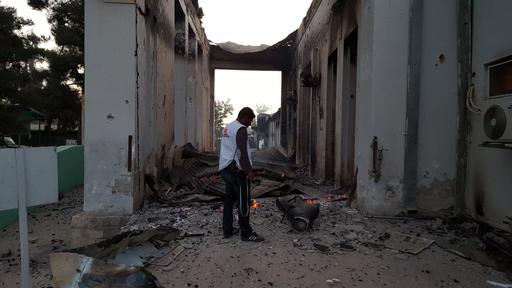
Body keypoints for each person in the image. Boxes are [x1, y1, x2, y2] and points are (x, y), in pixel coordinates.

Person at [218, 107, 264, 242]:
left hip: (226, 169)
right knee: (243, 202)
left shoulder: (228, 127)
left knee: (229, 201)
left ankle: (227, 230)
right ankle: (246, 233)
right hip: (237, 171)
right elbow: (242, 153)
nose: (250, 124)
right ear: (244, 117)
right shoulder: (240, 129)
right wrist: (249, 172)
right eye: (250, 120)